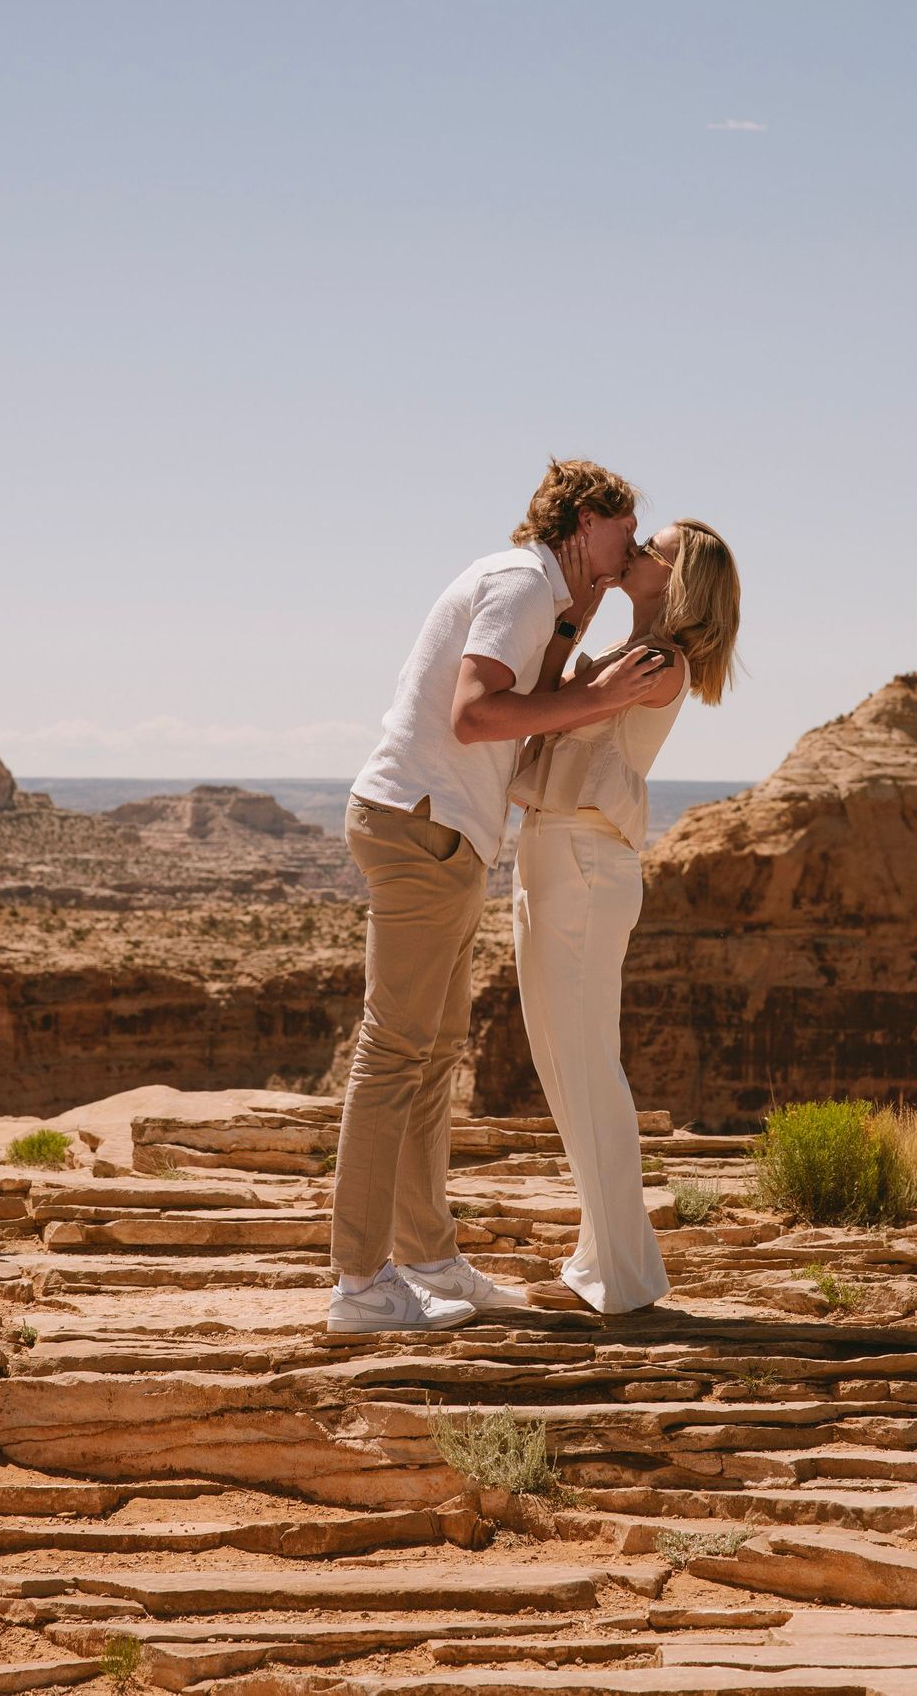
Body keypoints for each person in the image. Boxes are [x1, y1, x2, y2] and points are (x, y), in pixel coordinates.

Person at [327, 458, 670, 1335]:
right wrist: (592, 693)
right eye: (625, 531)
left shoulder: (540, 596)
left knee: (434, 1052)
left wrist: (579, 630)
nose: (631, 544)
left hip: (443, 831)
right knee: (395, 1052)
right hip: (422, 824)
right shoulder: (520, 582)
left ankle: (430, 1259)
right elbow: (477, 715)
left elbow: (527, 705)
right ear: (587, 519)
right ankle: (361, 1286)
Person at [511, 518, 741, 1313]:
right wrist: (577, 618)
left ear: (681, 581)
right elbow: (550, 704)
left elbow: (547, 713)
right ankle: (602, 1252)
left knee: (586, 1065)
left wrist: (579, 611)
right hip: (553, 849)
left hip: (581, 856)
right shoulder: (628, 651)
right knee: (563, 1063)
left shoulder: (657, 661)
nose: (640, 551)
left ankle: (625, 1275)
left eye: (658, 550)